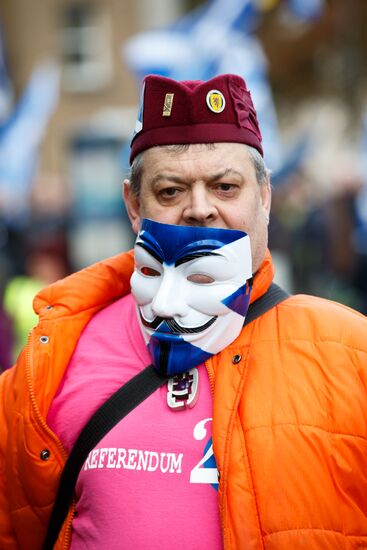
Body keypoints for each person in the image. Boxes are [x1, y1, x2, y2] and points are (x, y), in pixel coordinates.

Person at [1, 73, 366, 550]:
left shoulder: (351, 352)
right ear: (134, 204)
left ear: (266, 197)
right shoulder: (49, 363)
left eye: (225, 187)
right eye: (171, 191)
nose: (200, 209)